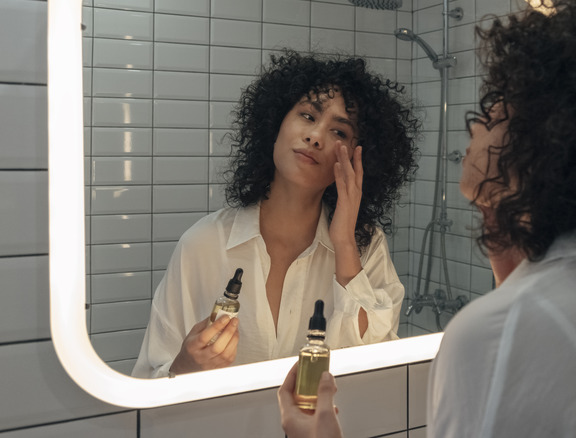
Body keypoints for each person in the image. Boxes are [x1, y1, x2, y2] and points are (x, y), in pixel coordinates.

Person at [277, 0, 576, 436]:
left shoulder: (504, 335)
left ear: (552, 141)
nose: (475, 124)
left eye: (497, 110)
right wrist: (499, 215)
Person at [132, 51, 420, 378]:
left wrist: (343, 244)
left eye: (339, 132)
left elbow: (380, 366)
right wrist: (185, 365)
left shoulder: (366, 247)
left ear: (359, 159)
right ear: (276, 122)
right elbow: (148, 377)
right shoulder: (203, 243)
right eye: (308, 116)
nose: (315, 136)